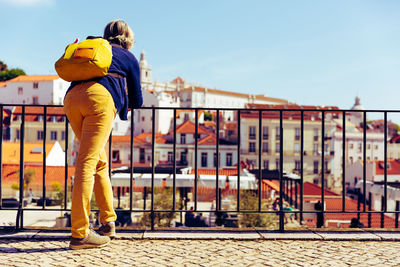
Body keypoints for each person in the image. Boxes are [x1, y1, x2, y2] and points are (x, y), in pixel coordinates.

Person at [64, 20, 142, 249]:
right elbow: (137, 99)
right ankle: (80, 234)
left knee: (99, 162)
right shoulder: (127, 56)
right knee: (87, 163)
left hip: (71, 100)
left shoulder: (93, 48)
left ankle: (108, 223)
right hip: (98, 100)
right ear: (128, 39)